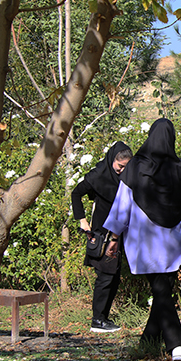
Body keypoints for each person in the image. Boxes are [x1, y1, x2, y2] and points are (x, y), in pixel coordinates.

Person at [103, 118, 181, 361]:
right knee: (163, 290)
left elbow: (122, 207)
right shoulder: (180, 167)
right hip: (173, 240)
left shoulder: (135, 167)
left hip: (145, 241)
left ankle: (177, 344)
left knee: (161, 291)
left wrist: (113, 238)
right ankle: (149, 342)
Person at [71, 141, 132, 333]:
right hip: (103, 233)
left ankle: (103, 318)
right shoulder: (99, 175)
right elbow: (76, 194)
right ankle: (97, 320)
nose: (122, 170)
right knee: (105, 276)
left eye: (126, 167)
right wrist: (82, 221)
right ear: (111, 160)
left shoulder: (124, 178)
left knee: (113, 276)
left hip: (118, 232)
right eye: (119, 166)